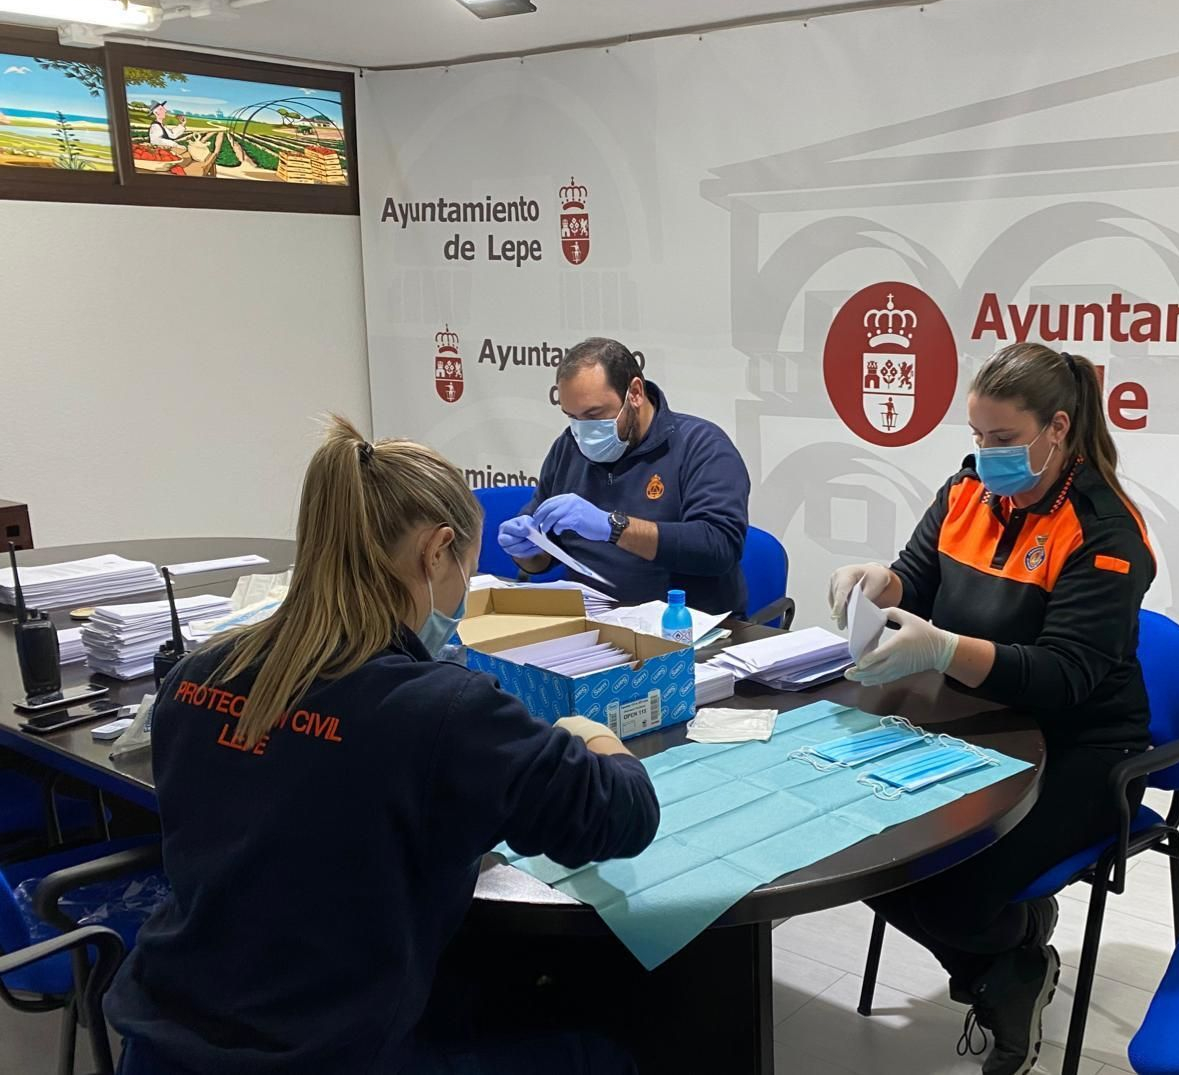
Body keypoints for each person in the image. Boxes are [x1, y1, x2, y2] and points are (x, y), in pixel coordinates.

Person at [105, 417, 659, 1075]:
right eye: (467, 573)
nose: (459, 598)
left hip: (163, 1040)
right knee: (624, 1037)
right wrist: (592, 734)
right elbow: (624, 814)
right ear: (437, 551)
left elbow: (303, 796)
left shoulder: (198, 676)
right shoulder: (441, 711)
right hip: (333, 1053)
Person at [826, 343, 1154, 1075]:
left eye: (1002, 439)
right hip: (977, 725)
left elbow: (1065, 677)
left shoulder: (1105, 533)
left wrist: (943, 649)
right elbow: (916, 575)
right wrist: (878, 581)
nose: (983, 453)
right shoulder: (967, 489)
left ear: (1057, 429)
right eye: (975, 435)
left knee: (949, 891)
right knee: (859, 850)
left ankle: (1011, 958)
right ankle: (1012, 955)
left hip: (1083, 748)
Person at [497, 337, 751, 614]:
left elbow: (718, 547)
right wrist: (525, 549)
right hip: (589, 624)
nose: (583, 430)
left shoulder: (701, 445)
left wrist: (614, 527)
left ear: (635, 393)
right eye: (572, 417)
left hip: (681, 628)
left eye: (595, 414)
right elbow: (541, 557)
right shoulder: (569, 446)